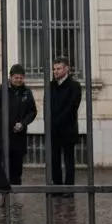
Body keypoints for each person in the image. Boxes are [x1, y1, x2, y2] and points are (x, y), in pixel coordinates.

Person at [0, 64, 38, 187]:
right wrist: (1, 124)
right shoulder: (0, 90)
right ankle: (3, 191)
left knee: (16, 167)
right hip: (3, 136)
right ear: (10, 77)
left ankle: (16, 190)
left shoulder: (26, 92)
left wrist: (23, 123)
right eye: (16, 78)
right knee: (2, 166)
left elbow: (32, 111)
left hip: (18, 136)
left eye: (21, 78)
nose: (18, 80)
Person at [47, 55, 82, 195]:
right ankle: (57, 187)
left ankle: (69, 188)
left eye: (58, 68)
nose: (55, 71)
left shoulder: (74, 86)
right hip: (53, 129)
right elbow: (47, 105)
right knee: (54, 159)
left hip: (68, 128)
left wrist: (58, 120)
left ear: (66, 69)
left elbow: (72, 106)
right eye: (54, 69)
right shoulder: (51, 85)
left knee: (69, 159)